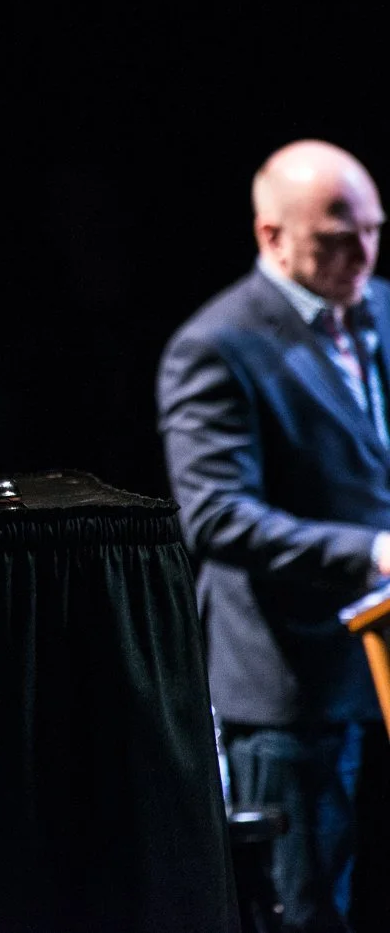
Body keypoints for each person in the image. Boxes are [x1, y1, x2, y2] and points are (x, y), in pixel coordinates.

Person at [159, 138, 390, 932]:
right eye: (337, 239)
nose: (362, 253)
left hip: (381, 670)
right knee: (305, 911)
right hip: (293, 692)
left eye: (373, 231)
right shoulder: (216, 346)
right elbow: (216, 516)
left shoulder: (382, 306)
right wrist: (372, 550)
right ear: (272, 236)